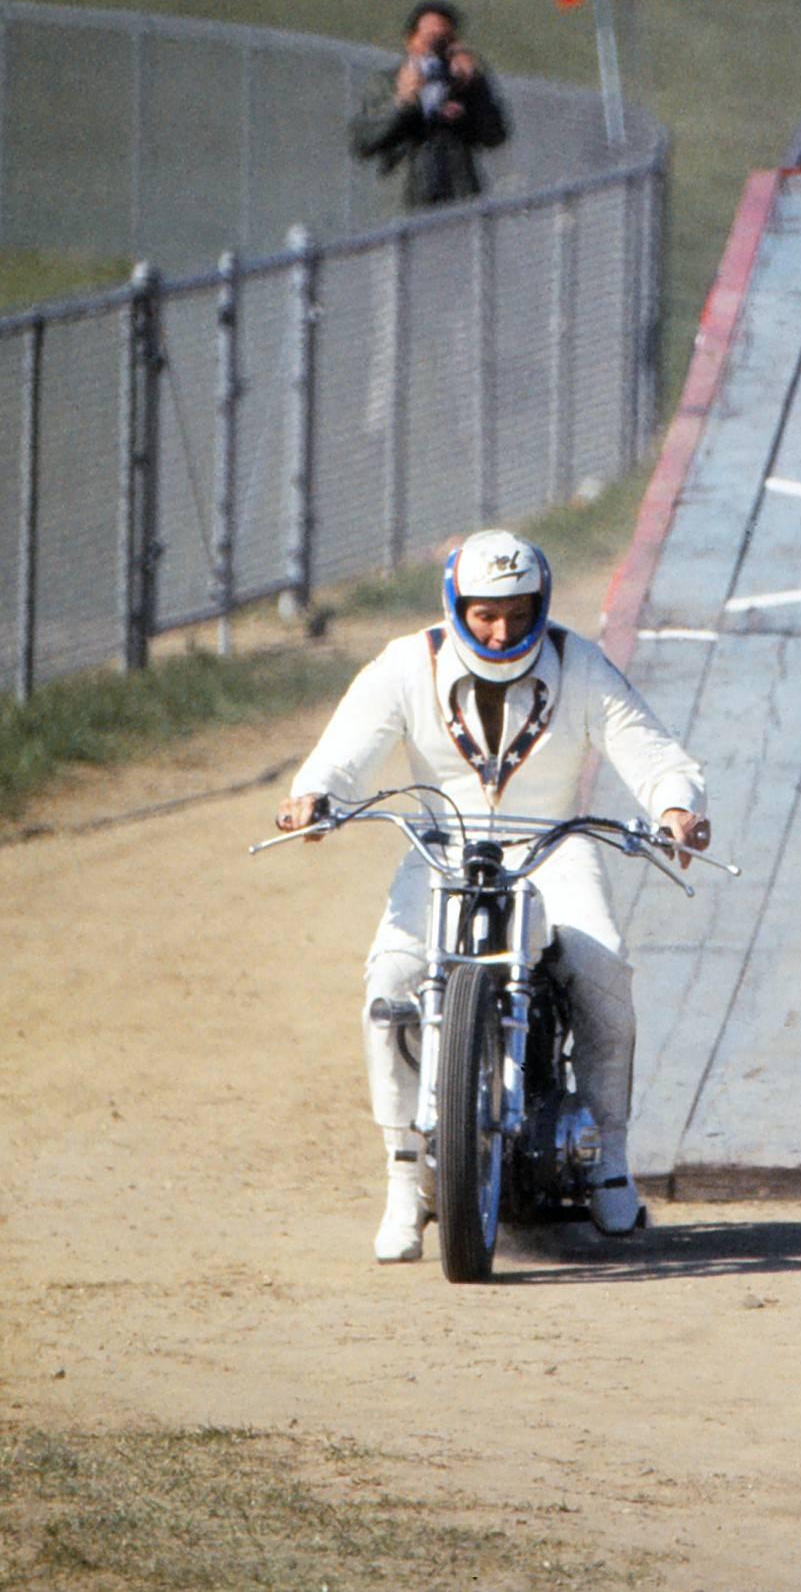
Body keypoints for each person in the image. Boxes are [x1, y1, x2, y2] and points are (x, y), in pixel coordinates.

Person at [275, 529, 710, 1262]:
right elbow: (344, 747)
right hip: (442, 849)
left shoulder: (579, 664)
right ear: (456, 605)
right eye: (483, 613)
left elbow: (653, 750)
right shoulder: (407, 663)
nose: (502, 629)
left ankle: (609, 1161)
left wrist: (676, 807)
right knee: (389, 980)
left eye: (516, 610)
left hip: (554, 843)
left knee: (606, 971)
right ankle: (404, 1181)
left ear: (539, 601)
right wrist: (314, 796)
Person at [350, 0, 509, 210]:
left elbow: (495, 136)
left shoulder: (463, 84)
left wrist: (474, 87)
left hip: (458, 202)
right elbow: (363, 142)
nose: (435, 49)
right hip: (406, 201)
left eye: (445, 41)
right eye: (430, 40)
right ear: (410, 41)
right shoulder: (388, 82)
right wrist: (403, 103)